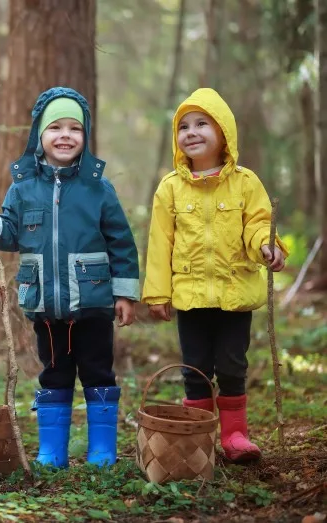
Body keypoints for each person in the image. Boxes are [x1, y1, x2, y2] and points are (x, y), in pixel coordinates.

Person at [0, 87, 140, 468]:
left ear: (85, 136)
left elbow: (121, 241)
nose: (65, 135)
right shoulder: (23, 189)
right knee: (53, 375)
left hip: (93, 304)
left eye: (75, 128)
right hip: (46, 306)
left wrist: (124, 294)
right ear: (39, 135)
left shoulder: (98, 189)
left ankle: (102, 450)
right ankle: (52, 451)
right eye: (55, 127)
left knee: (98, 373)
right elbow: (7, 234)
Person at [142, 87, 288, 462]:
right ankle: (199, 435)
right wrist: (157, 294)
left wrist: (267, 247)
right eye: (183, 126)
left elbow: (257, 223)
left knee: (232, 365)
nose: (191, 132)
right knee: (195, 369)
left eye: (202, 124)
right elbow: (160, 244)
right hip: (191, 295)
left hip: (234, 292)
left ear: (224, 132)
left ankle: (235, 435)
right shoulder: (170, 189)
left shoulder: (245, 182)